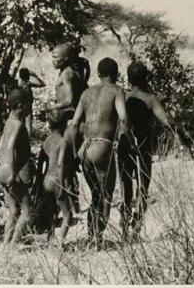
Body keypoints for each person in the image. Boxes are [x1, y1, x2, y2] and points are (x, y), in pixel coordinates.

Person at [71, 57, 132, 247]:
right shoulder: (117, 91)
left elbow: (74, 125)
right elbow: (123, 119)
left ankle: (92, 235)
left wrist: (75, 152)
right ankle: (98, 239)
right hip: (103, 146)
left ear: (98, 74)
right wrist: (129, 141)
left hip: (85, 149)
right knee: (106, 196)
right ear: (116, 74)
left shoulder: (86, 93)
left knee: (95, 194)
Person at [117, 62, 177, 241]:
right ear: (145, 78)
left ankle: (123, 228)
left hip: (124, 146)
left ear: (128, 78)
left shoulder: (124, 97)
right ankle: (136, 227)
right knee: (142, 188)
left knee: (125, 187)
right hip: (143, 147)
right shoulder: (150, 99)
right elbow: (167, 121)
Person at [0, 88, 34, 244]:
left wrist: (2, 166)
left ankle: (5, 244)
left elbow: (1, 146)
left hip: (2, 170)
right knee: (27, 211)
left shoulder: (9, 122)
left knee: (14, 210)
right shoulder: (17, 125)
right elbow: (9, 147)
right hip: (10, 171)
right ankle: (13, 245)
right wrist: (12, 172)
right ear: (21, 105)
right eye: (29, 105)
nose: (31, 108)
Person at [37, 109, 74, 244]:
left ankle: (50, 239)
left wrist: (39, 182)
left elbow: (40, 163)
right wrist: (63, 185)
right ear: (64, 124)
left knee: (52, 213)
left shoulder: (46, 141)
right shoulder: (63, 142)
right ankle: (60, 243)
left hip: (46, 180)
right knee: (67, 215)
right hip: (57, 180)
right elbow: (60, 164)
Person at [46, 44, 88, 132]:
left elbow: (70, 100)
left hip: (69, 114)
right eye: (52, 58)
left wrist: (51, 107)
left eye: (56, 58)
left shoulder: (66, 74)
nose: (53, 61)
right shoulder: (67, 71)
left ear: (66, 58)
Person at [18, 68, 46, 137]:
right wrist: (35, 75)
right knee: (28, 125)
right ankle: (27, 140)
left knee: (21, 124)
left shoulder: (19, 84)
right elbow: (42, 84)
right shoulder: (27, 84)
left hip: (20, 107)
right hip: (27, 106)